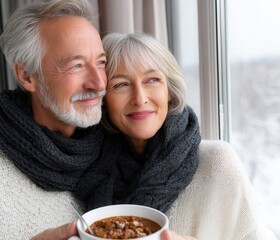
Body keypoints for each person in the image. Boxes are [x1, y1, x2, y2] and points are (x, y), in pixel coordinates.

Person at [0, 0, 108, 239]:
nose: (99, 83)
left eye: (101, 63)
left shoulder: (122, 146)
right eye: (76, 65)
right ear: (27, 76)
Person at [75, 32, 276, 239]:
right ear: (103, 99)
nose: (139, 98)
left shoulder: (217, 162)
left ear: (169, 91)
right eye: (121, 85)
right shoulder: (92, 169)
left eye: (152, 80)